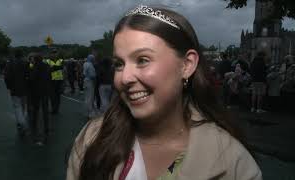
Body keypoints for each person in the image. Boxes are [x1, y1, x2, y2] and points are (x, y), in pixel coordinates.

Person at [66, 5, 262, 180]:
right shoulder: (92, 138)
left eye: (142, 60)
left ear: (187, 65)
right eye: (119, 64)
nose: (124, 78)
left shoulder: (232, 161)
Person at [4, 49, 30, 136]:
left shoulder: (10, 63)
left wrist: (9, 87)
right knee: (23, 106)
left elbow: (7, 76)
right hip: (25, 88)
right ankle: (22, 121)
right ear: (22, 55)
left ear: (15, 55)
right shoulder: (26, 63)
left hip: (14, 88)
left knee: (17, 106)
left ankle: (22, 123)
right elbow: (28, 75)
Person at [29, 53, 52, 145]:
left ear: (36, 59)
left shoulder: (35, 66)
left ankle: (34, 124)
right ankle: (46, 127)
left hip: (37, 91)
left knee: (36, 108)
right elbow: (50, 76)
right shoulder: (47, 66)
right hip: (46, 89)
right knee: (45, 109)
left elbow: (32, 78)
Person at [45, 49, 64, 114]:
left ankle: (57, 109)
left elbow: (62, 68)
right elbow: (48, 70)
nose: (54, 54)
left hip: (59, 80)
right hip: (51, 81)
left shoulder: (60, 60)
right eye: (53, 53)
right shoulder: (47, 61)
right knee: (52, 96)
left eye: (55, 53)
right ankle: (54, 109)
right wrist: (56, 67)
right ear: (50, 54)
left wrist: (54, 68)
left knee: (58, 96)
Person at [83, 54, 97, 119]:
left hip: (85, 80)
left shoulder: (85, 64)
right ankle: (90, 113)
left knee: (87, 97)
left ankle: (87, 112)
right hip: (90, 81)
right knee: (90, 97)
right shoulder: (90, 65)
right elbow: (92, 75)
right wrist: (95, 82)